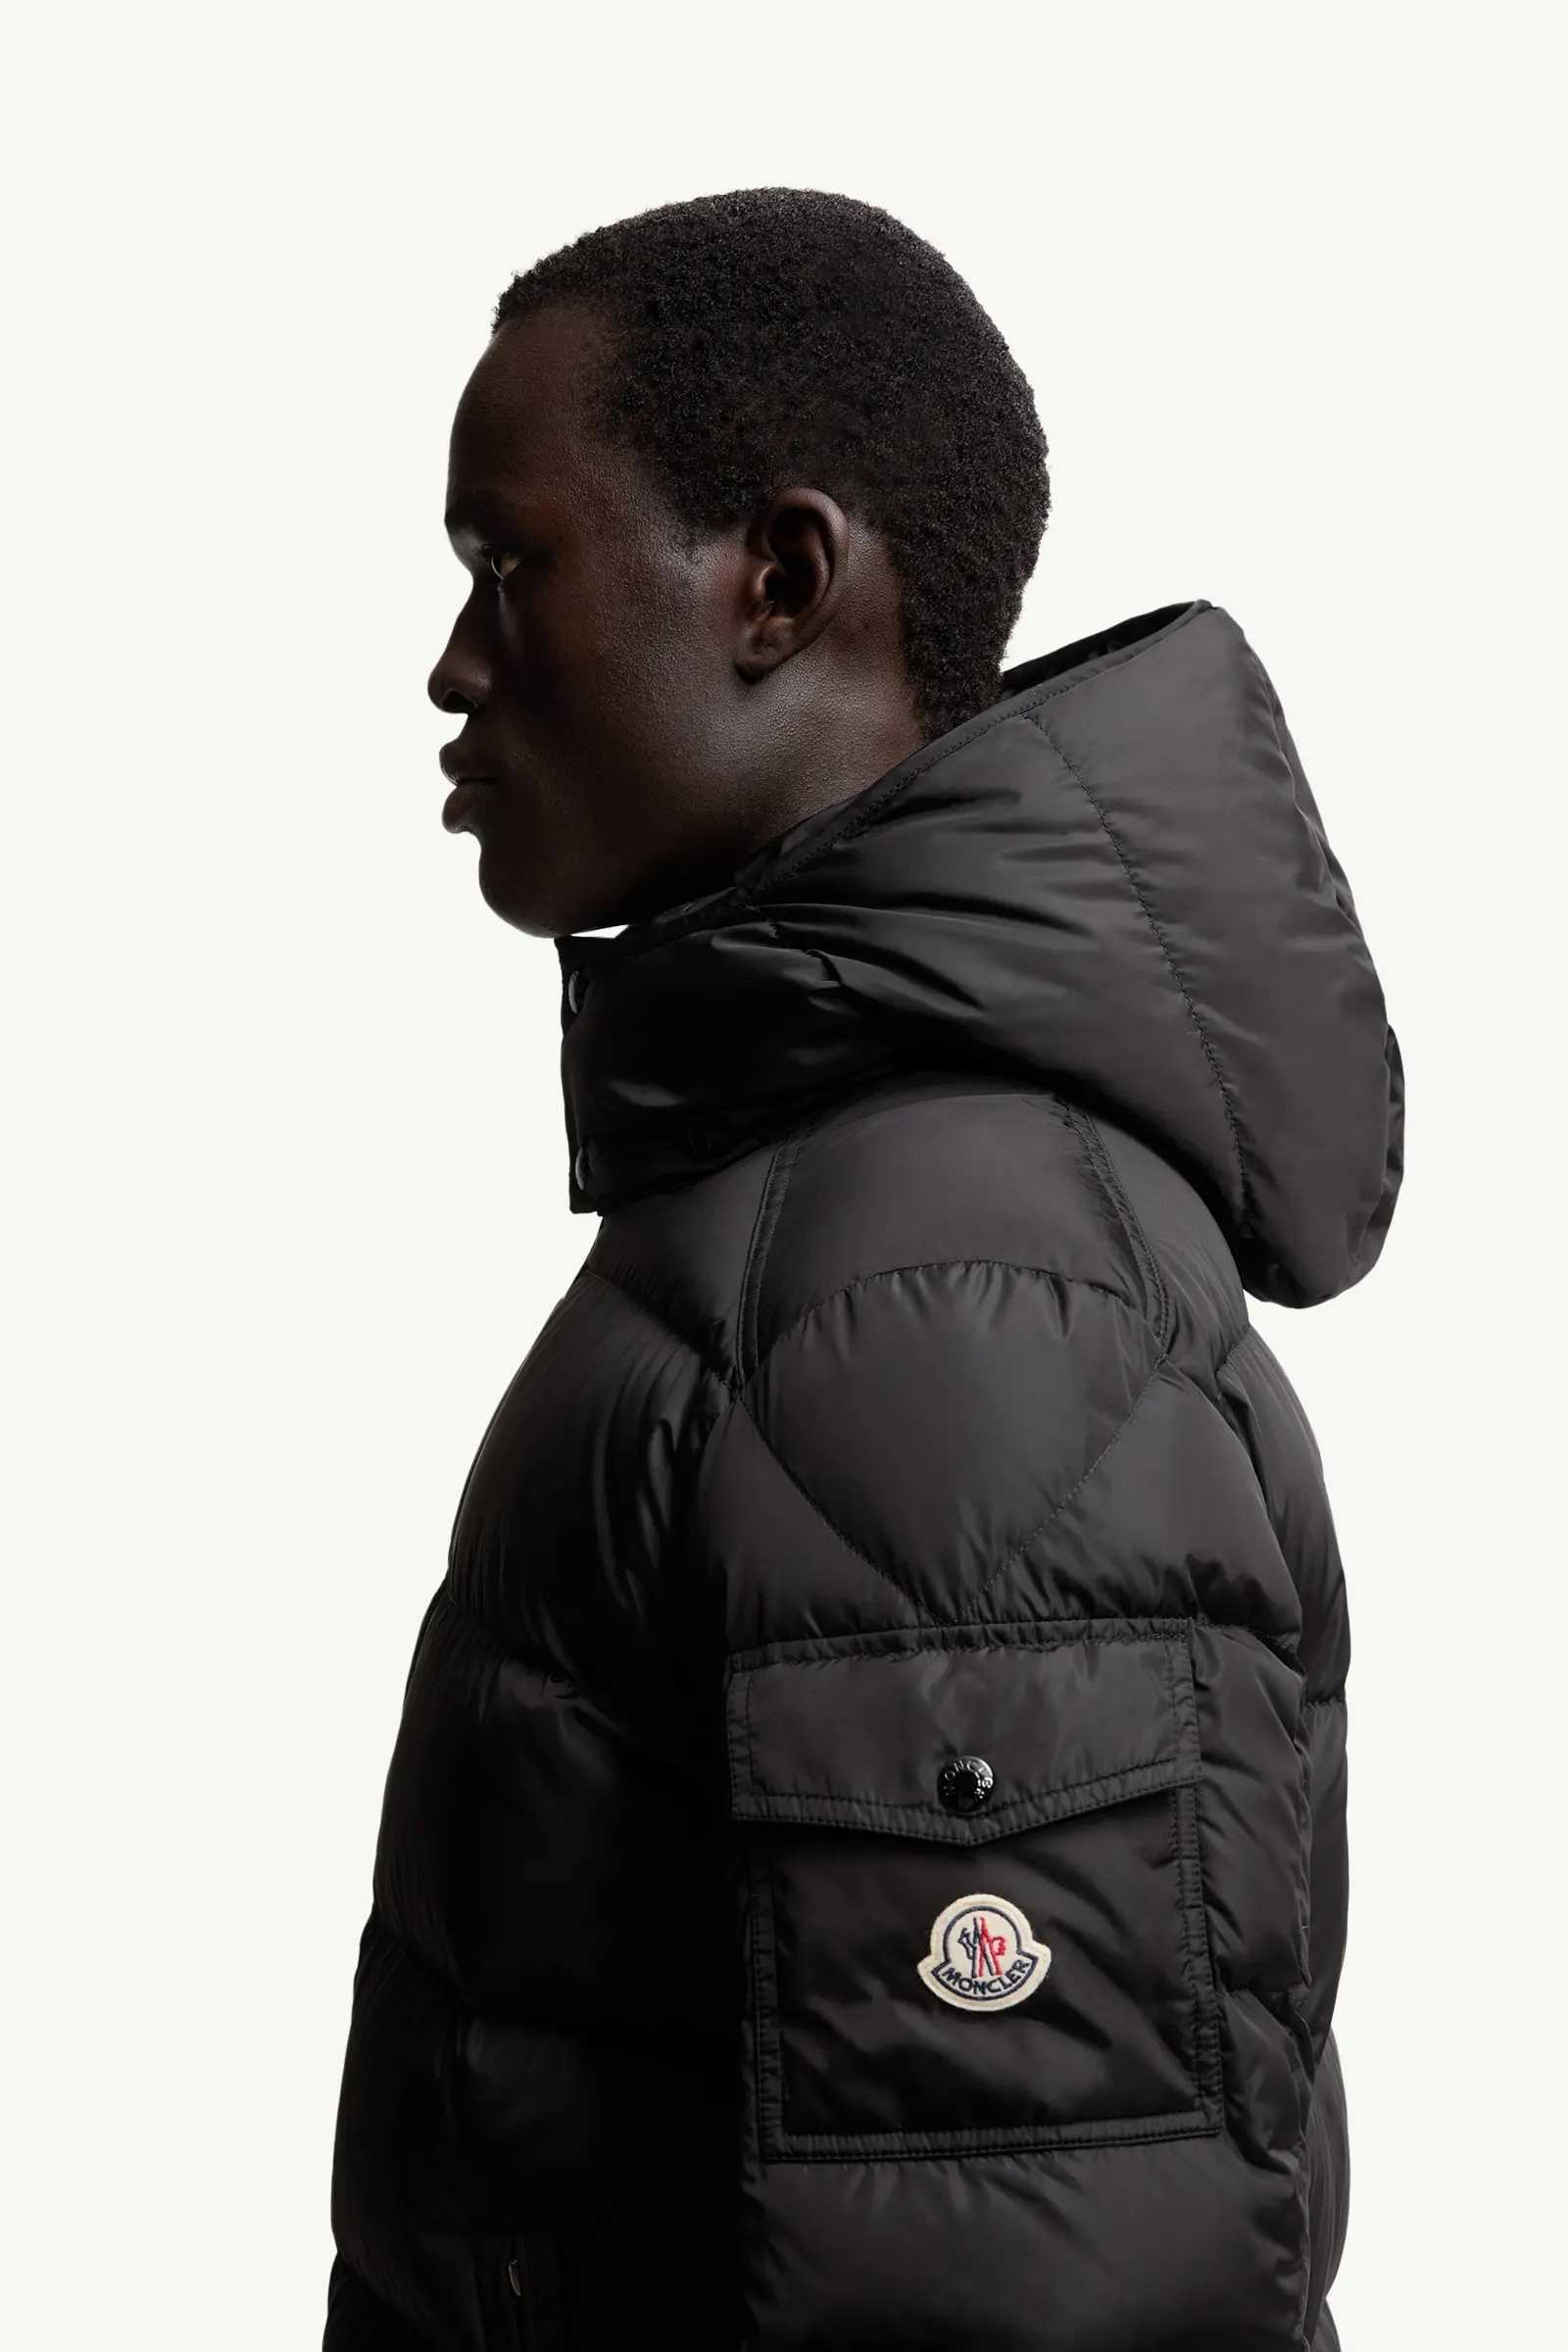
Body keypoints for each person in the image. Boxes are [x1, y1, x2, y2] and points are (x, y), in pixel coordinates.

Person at [321, 186, 1403, 2352]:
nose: (453, 664)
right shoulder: (837, 1231)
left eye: (507, 566)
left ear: (783, 582)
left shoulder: (943, 1305)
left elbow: (1021, 2294)